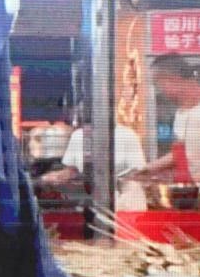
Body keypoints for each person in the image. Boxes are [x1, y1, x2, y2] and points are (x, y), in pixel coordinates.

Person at [40, 124, 148, 211]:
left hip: (126, 203)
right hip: (91, 201)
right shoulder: (78, 136)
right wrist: (51, 178)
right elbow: (71, 171)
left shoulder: (128, 135)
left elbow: (139, 173)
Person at [130, 55, 200, 184]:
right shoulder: (181, 113)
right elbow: (183, 152)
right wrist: (148, 170)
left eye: (158, 83)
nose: (160, 90)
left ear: (173, 79)